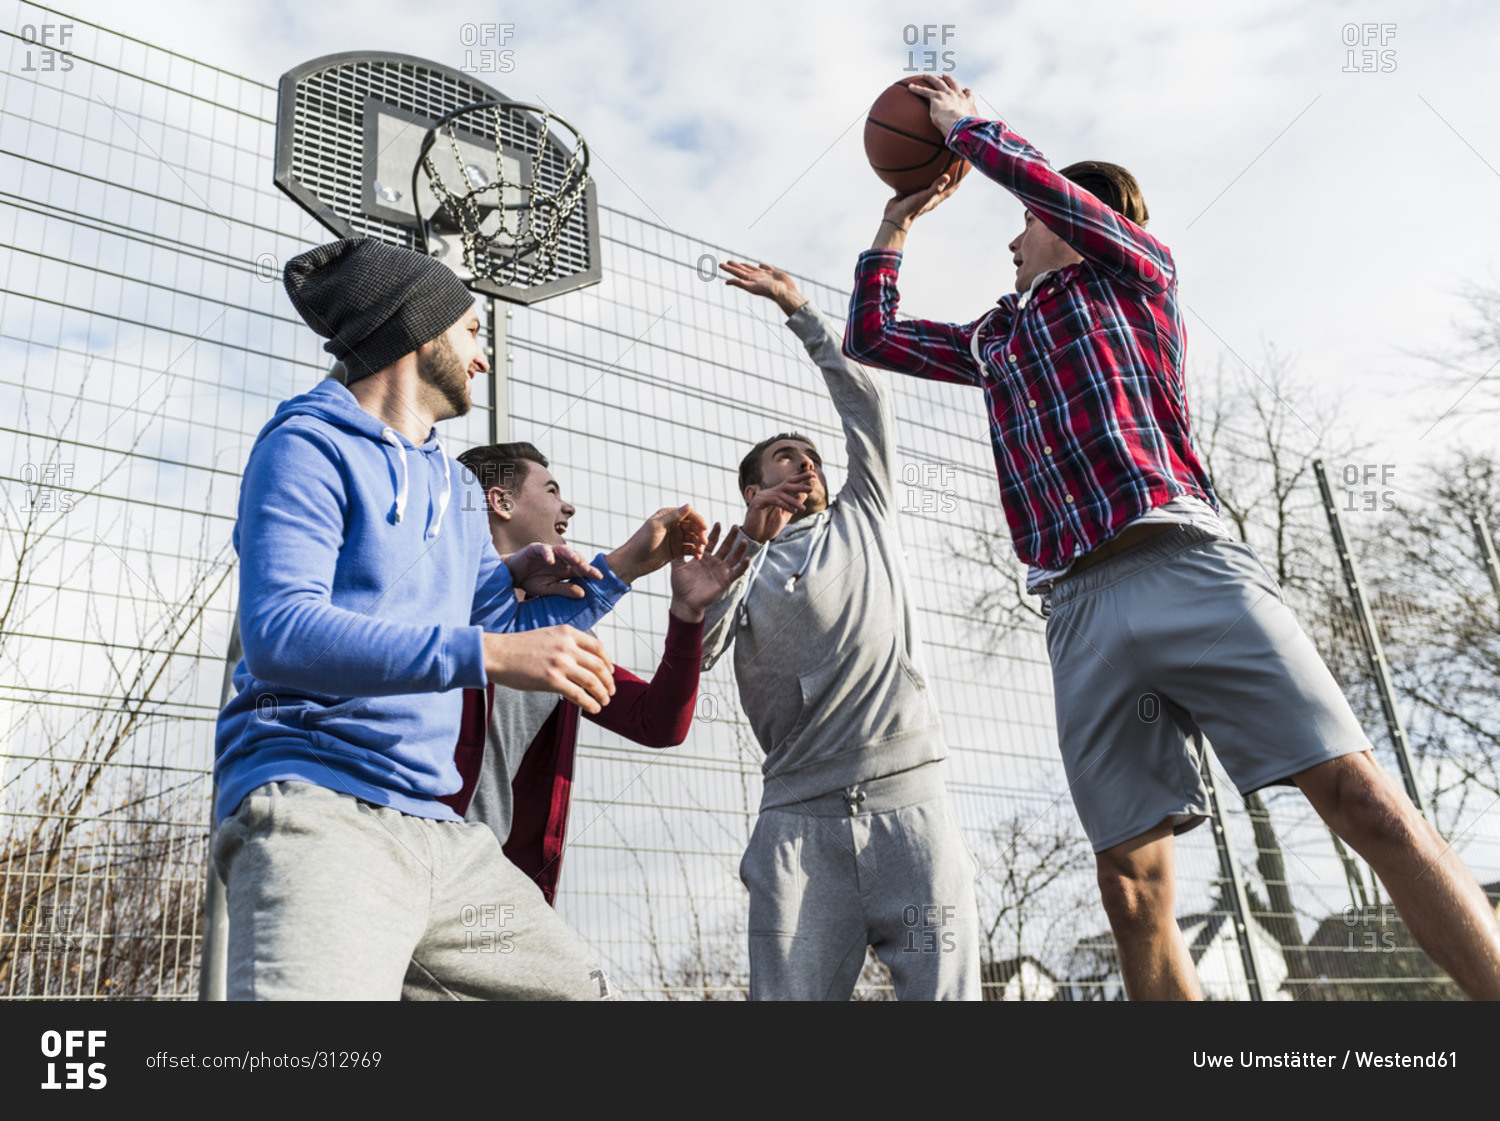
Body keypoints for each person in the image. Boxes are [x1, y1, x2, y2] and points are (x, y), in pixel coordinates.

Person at [843, 73, 1500, 1000]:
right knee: (1131, 888)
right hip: (1075, 605)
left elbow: (1037, 185)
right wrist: (898, 224)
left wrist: (964, 127)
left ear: (1069, 217)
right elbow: (871, 337)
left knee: (1366, 804)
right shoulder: (998, 337)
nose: (1009, 236)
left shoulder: (1135, 273)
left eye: (1025, 222)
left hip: (1188, 566)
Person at [213, 236, 706, 1000]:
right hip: (322, 805)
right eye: (473, 332)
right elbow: (281, 632)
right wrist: (488, 647)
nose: (483, 358)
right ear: (419, 329)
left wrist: (603, 568)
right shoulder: (306, 446)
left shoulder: (449, 481)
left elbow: (487, 626)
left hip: (442, 835)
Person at [701, 260, 981, 1001]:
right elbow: (697, 652)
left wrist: (799, 309)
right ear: (754, 490)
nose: (806, 465)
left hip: (907, 801)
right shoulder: (735, 560)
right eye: (784, 458)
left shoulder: (865, 512)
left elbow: (866, 400)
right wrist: (751, 549)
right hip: (798, 821)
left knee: (945, 993)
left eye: (813, 457)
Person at [441, 441, 748, 904]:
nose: (569, 506)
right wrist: (627, 562)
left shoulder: (564, 637)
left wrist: (686, 615)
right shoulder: (435, 590)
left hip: (486, 871)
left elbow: (658, 723)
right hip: (407, 842)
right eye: (550, 490)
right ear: (500, 502)